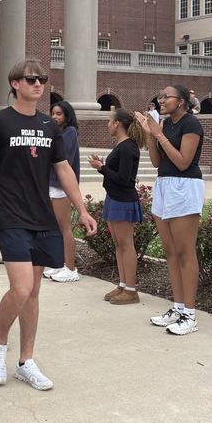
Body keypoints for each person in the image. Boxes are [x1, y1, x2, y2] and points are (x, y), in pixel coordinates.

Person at [0, 60, 97, 393]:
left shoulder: (49, 125)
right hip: (9, 215)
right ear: (15, 84)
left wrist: (82, 209)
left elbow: (63, 169)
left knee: (33, 293)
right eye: (31, 79)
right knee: (21, 288)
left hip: (42, 215)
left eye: (42, 79)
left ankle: (26, 362)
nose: (38, 84)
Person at [137, 84, 205, 336]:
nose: (161, 100)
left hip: (185, 186)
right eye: (160, 96)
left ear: (182, 101)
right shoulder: (166, 125)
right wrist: (150, 134)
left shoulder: (191, 124)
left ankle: (190, 314)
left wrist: (159, 134)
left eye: (167, 97)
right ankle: (178, 308)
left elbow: (183, 162)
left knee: (185, 252)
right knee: (171, 252)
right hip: (164, 184)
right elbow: (158, 162)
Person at [88, 108, 145, 304]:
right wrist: (102, 167)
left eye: (110, 121)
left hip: (123, 200)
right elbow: (116, 174)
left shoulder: (128, 147)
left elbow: (124, 179)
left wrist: (102, 167)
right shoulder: (122, 146)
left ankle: (131, 290)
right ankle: (123, 284)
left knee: (126, 244)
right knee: (119, 244)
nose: (108, 124)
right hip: (114, 198)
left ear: (117, 123)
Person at [43, 100, 82, 282]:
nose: (55, 117)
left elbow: (60, 156)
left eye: (59, 114)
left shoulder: (70, 132)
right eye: (53, 113)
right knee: (56, 227)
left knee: (65, 227)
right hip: (51, 184)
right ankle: (60, 264)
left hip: (62, 186)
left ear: (67, 116)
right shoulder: (56, 132)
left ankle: (71, 269)